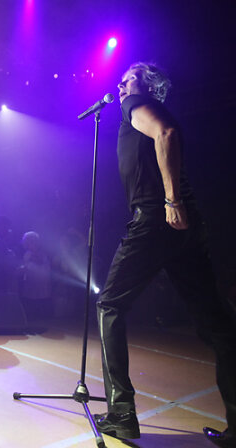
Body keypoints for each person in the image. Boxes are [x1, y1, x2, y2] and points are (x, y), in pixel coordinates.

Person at [95, 62, 236, 446]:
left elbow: (167, 133)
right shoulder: (141, 109)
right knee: (219, 325)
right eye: (122, 80)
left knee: (109, 305)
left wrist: (171, 200)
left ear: (148, 86)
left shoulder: (135, 104)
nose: (121, 84)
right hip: (184, 228)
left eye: (130, 77)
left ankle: (121, 414)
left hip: (156, 221)